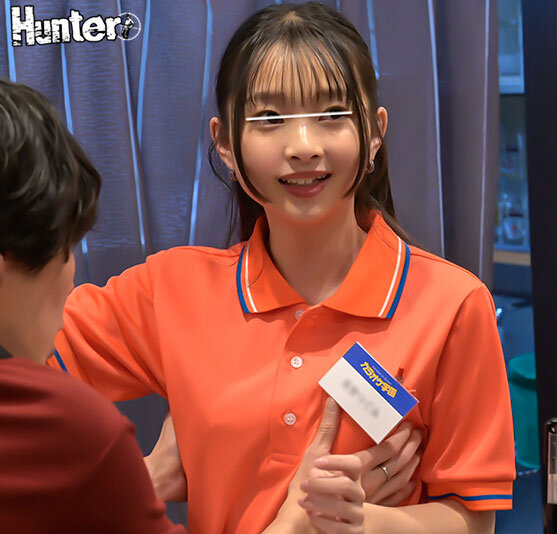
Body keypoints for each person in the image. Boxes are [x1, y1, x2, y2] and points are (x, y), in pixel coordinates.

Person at [47, 2, 516, 533]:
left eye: (332, 114)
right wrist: (143, 480)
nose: (303, 147)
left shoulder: (452, 305)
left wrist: (360, 523)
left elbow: (473, 519)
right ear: (225, 143)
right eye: (269, 119)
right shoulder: (170, 290)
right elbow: (24, 357)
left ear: (375, 132)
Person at [0, 78, 184, 533]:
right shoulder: (60, 424)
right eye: (66, 247)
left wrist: (135, 483)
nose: (72, 277)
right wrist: (296, 521)